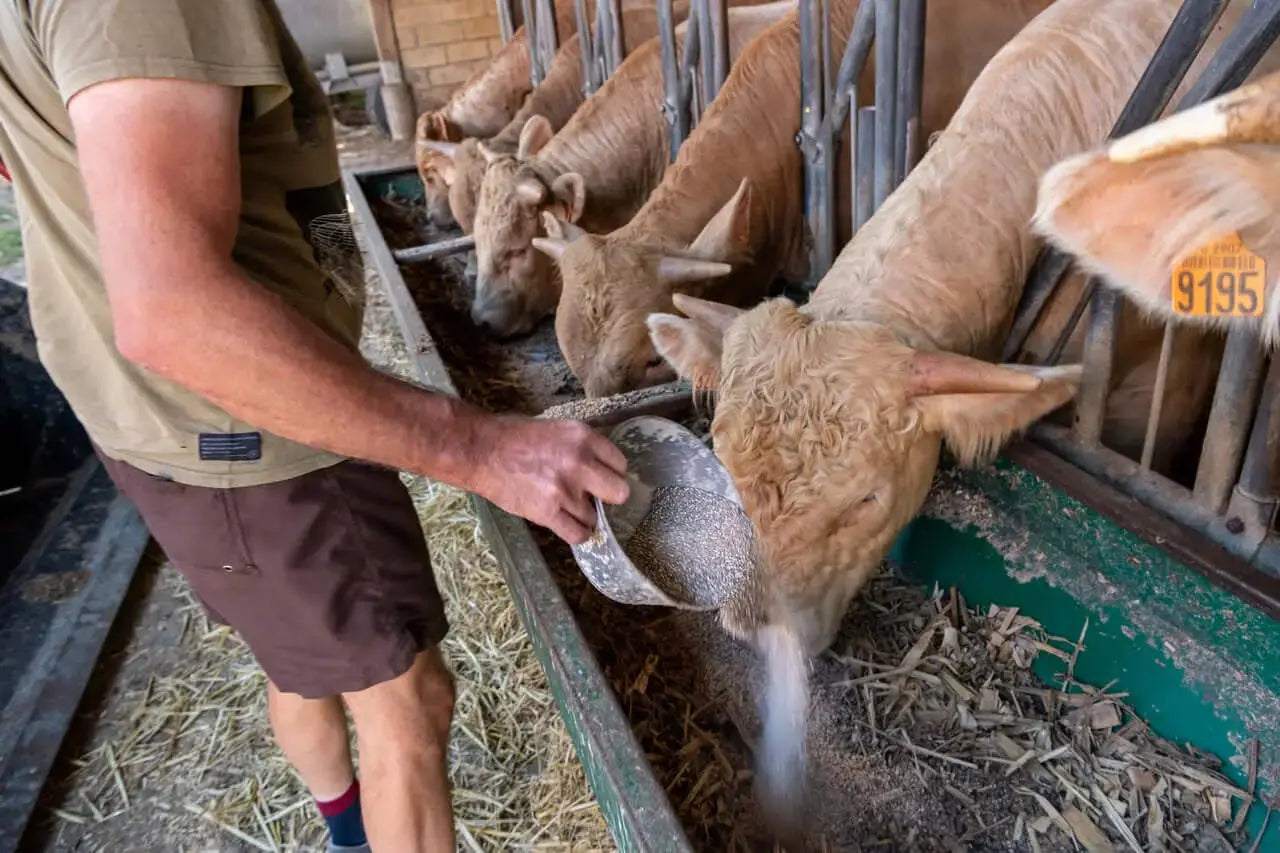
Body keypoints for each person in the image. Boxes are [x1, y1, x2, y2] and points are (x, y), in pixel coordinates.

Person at [0, 2, 630, 851]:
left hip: (152, 419)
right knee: (410, 704)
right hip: (254, 429)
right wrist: (481, 447)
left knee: (298, 657)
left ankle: (348, 833)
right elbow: (172, 310)